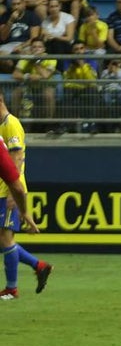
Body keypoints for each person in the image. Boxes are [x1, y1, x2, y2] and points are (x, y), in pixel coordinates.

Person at [0, 93, 52, 301]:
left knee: (5, 238)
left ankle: (12, 289)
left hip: (8, 191)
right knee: (3, 240)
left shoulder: (11, 124)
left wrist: (15, 190)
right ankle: (39, 266)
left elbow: (17, 158)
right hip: (5, 189)